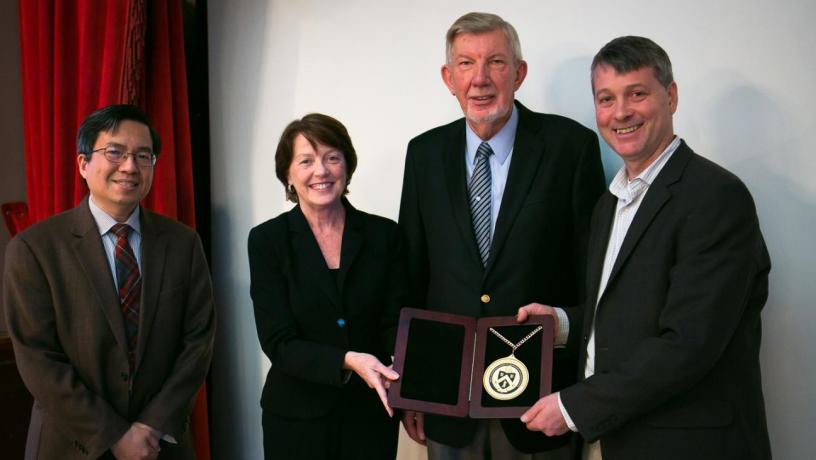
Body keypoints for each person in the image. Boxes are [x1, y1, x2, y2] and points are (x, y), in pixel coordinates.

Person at [517, 36, 772, 460]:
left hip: (689, 446)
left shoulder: (716, 197)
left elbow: (689, 343)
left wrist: (575, 406)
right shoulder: (610, 203)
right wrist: (564, 324)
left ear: (670, 96)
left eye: (637, 94)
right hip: (617, 438)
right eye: (606, 99)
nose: (621, 112)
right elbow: (631, 312)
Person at [398, 12, 605, 459]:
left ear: (519, 73)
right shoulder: (423, 154)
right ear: (448, 78)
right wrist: (412, 388)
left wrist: (583, 392)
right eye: (466, 64)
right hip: (446, 402)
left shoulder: (571, 148)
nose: (480, 79)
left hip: (542, 405)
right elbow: (412, 276)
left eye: (495, 62)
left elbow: (593, 275)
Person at [3, 104, 216, 460]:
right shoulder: (34, 248)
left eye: (143, 156)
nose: (130, 166)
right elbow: (38, 358)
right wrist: (115, 436)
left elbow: (198, 341)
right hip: (71, 445)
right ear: (83, 164)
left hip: (159, 446)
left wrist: (150, 427)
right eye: (115, 152)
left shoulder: (183, 243)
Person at [248, 113, 403, 459]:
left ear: (347, 166)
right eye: (306, 161)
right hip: (296, 420)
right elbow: (278, 341)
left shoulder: (384, 235)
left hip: (370, 414)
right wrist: (347, 360)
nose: (321, 171)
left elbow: (396, 323)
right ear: (287, 174)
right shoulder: (267, 241)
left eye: (332, 157)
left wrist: (421, 384)